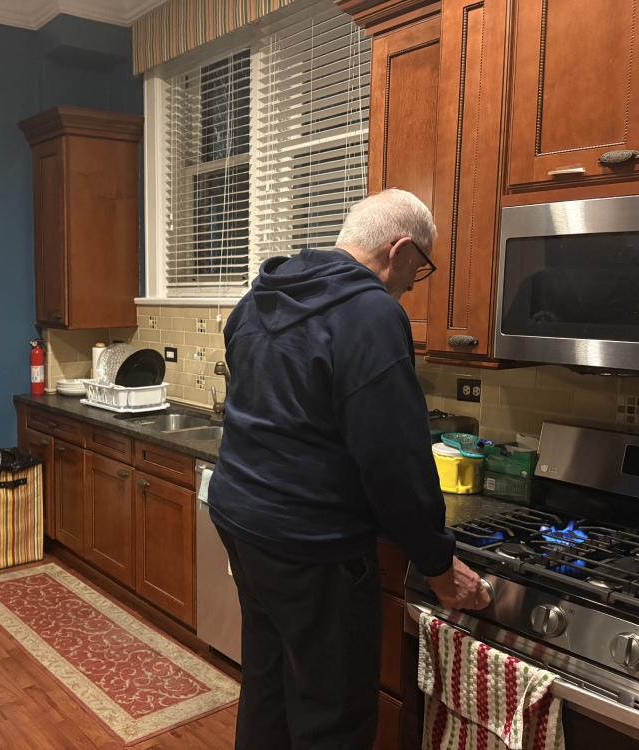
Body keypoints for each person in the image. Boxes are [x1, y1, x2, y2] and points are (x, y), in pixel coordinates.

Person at [208, 188, 490, 750]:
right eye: (421, 269)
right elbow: (394, 460)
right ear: (401, 249)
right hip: (312, 544)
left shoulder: (263, 294)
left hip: (242, 522)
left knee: (269, 686)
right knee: (333, 715)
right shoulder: (371, 312)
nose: (413, 285)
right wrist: (436, 562)